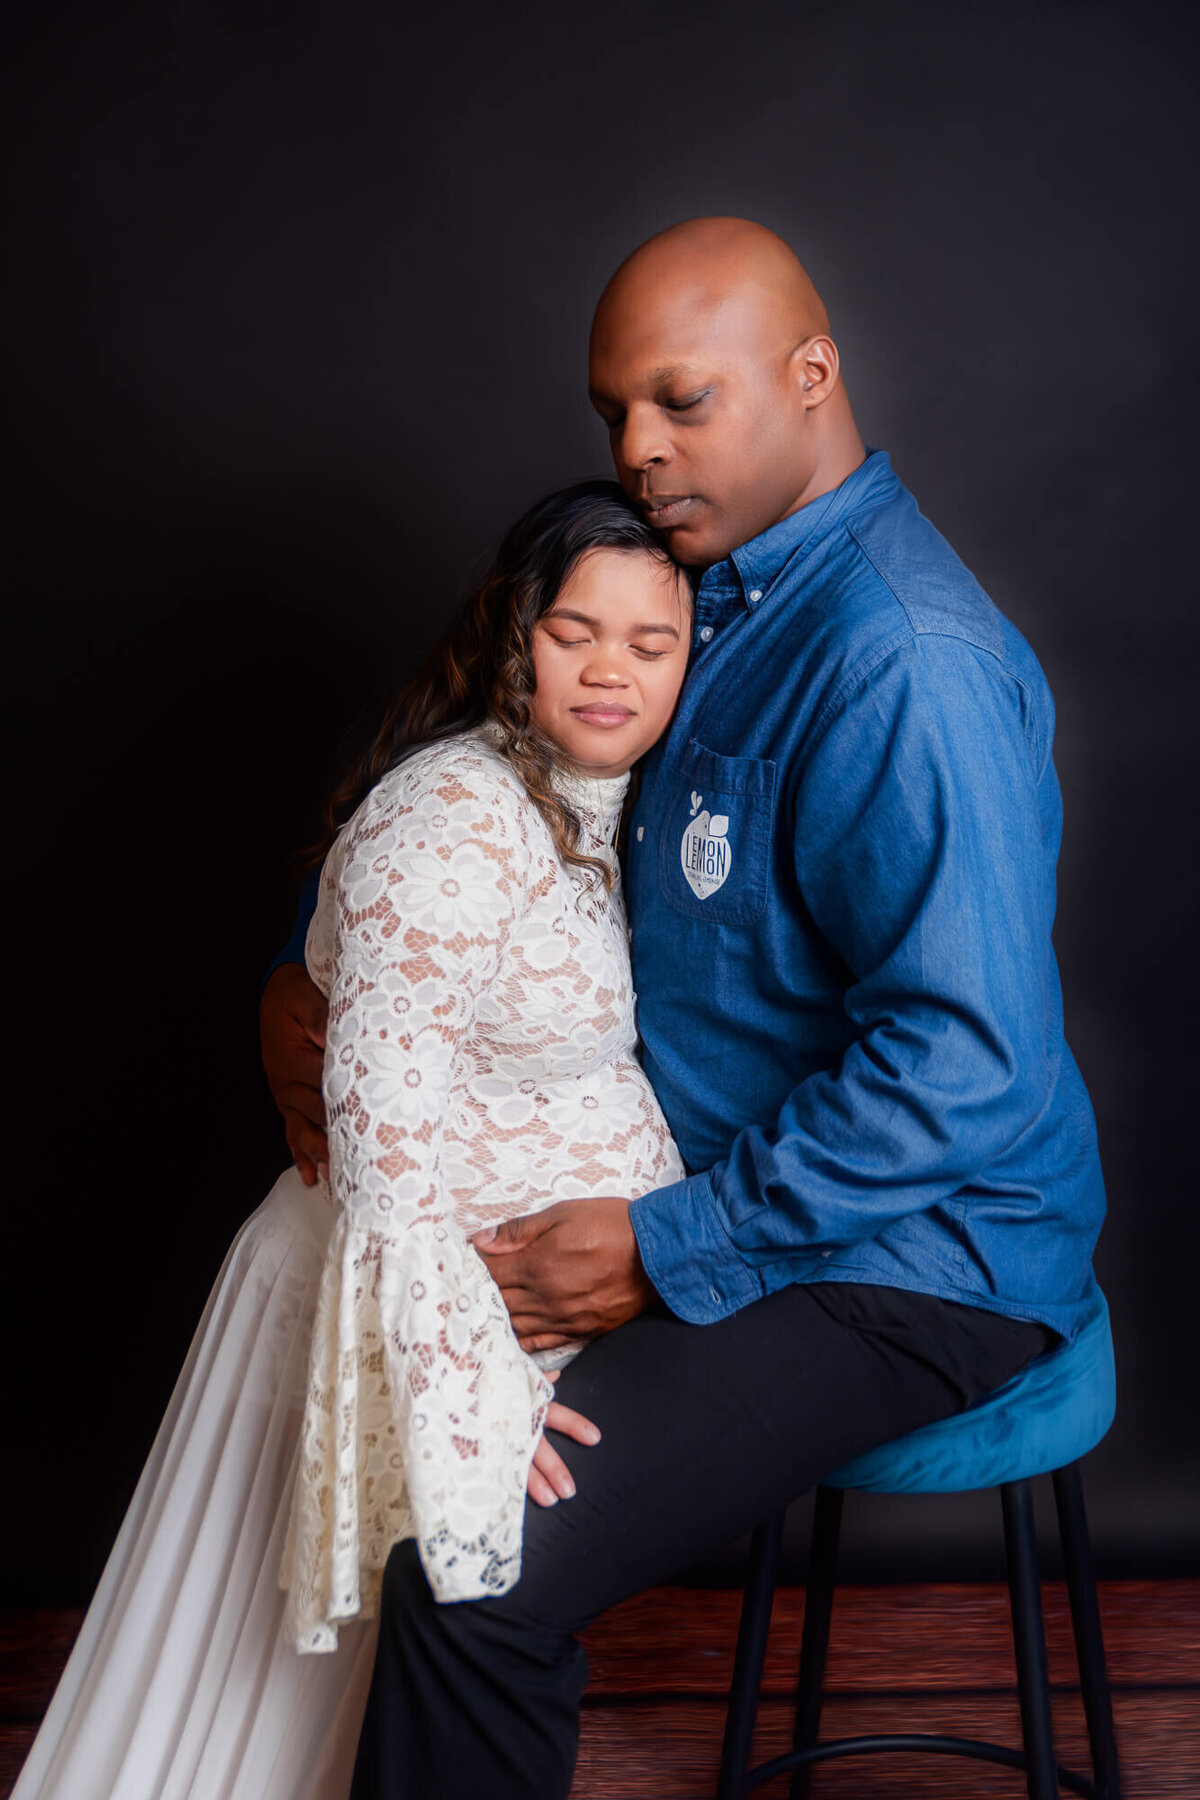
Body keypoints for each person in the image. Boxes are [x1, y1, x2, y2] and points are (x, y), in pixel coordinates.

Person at [262, 218, 1107, 1800]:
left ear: (813, 375)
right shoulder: (693, 591)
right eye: (613, 417)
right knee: (376, 1404)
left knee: (477, 1566)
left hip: (917, 1254)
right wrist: (294, 982)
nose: (639, 450)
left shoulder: (904, 663)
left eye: (680, 402)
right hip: (700, 1183)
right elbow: (470, 795)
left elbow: (967, 1070)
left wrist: (661, 1251)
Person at [14, 481, 692, 1800]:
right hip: (381, 1304)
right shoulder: (451, 815)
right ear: (515, 638)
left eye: (651, 644)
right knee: (252, 1715)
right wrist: (465, 1397)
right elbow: (383, 1162)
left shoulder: (615, 804)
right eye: (574, 631)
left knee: (377, 1713)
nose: (611, 668)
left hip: (478, 1309)